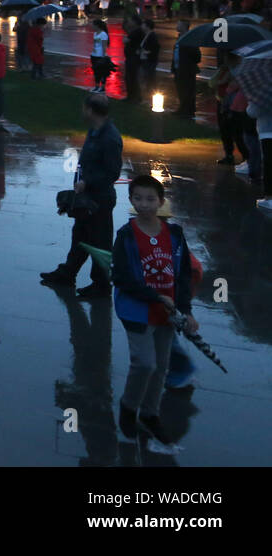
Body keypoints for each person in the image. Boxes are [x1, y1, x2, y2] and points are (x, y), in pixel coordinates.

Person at [112, 175, 195, 447]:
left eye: (150, 199)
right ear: (131, 200)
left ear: (161, 201)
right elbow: (121, 277)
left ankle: (150, 413)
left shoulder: (174, 233)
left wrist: (186, 309)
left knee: (161, 366)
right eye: (138, 198)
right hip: (136, 309)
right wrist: (154, 296)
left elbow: (183, 274)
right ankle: (128, 407)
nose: (144, 204)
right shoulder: (126, 235)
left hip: (168, 311)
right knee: (144, 363)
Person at [41, 93, 123, 298]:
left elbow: (112, 172)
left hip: (100, 200)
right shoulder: (95, 131)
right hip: (86, 198)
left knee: (99, 243)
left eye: (84, 108)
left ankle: (102, 285)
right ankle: (67, 273)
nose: (82, 111)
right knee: (80, 238)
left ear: (91, 110)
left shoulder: (110, 138)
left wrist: (87, 182)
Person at [172, 42, 201, 118]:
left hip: (187, 71)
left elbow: (197, 57)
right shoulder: (179, 40)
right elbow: (175, 54)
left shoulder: (190, 41)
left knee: (188, 91)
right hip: (178, 69)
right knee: (181, 90)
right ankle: (182, 109)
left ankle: (188, 111)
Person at [123, 14, 144, 102]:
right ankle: (132, 96)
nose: (129, 22)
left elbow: (126, 40)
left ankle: (133, 96)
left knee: (132, 77)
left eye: (130, 20)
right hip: (131, 56)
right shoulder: (135, 31)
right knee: (131, 77)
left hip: (133, 57)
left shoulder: (137, 31)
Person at [138, 19, 160, 100]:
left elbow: (156, 47)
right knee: (145, 77)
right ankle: (147, 95)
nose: (142, 26)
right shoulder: (146, 34)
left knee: (149, 78)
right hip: (144, 60)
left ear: (147, 26)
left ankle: (150, 96)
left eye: (143, 25)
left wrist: (147, 52)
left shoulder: (152, 35)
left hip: (149, 61)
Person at [90, 19, 112, 93]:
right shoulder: (95, 33)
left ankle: (102, 88)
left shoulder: (103, 34)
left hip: (100, 56)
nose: (92, 26)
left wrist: (103, 56)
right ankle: (96, 86)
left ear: (97, 25)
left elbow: (104, 46)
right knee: (96, 72)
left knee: (101, 72)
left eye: (93, 24)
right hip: (94, 55)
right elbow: (95, 44)